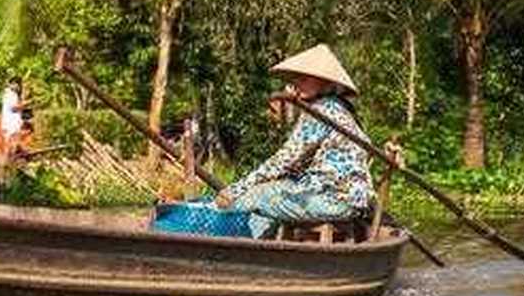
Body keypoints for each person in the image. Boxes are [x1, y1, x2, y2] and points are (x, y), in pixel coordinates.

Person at [152, 45, 374, 239]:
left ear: (325, 82)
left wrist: (236, 190)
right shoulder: (338, 108)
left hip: (335, 199)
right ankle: (240, 238)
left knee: (260, 195)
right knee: (269, 191)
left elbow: (284, 160)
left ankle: (223, 237)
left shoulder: (323, 111)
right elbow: (295, 164)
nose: (298, 83)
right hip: (334, 194)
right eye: (297, 78)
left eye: (305, 78)